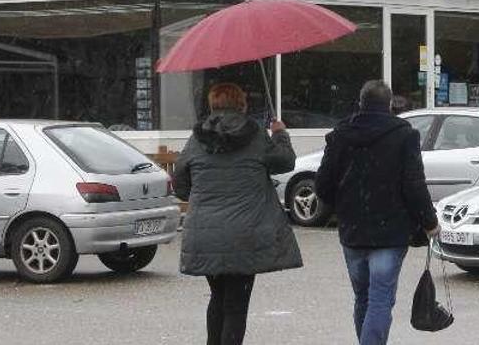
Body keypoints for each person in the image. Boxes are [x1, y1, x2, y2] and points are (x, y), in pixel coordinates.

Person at [173, 83, 302, 345]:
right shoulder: (254, 135)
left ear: (212, 105)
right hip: (246, 235)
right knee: (235, 304)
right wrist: (280, 134)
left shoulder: (197, 138)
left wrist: (201, 198)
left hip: (205, 235)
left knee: (218, 298)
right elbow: (285, 162)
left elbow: (180, 182)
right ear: (242, 104)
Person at [315, 80, 439, 345]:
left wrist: (345, 205)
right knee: (380, 299)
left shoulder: (341, 133)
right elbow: (414, 185)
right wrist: (429, 223)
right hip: (390, 231)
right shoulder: (404, 134)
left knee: (363, 297)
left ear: (361, 103)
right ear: (389, 104)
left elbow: (323, 186)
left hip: (353, 231)